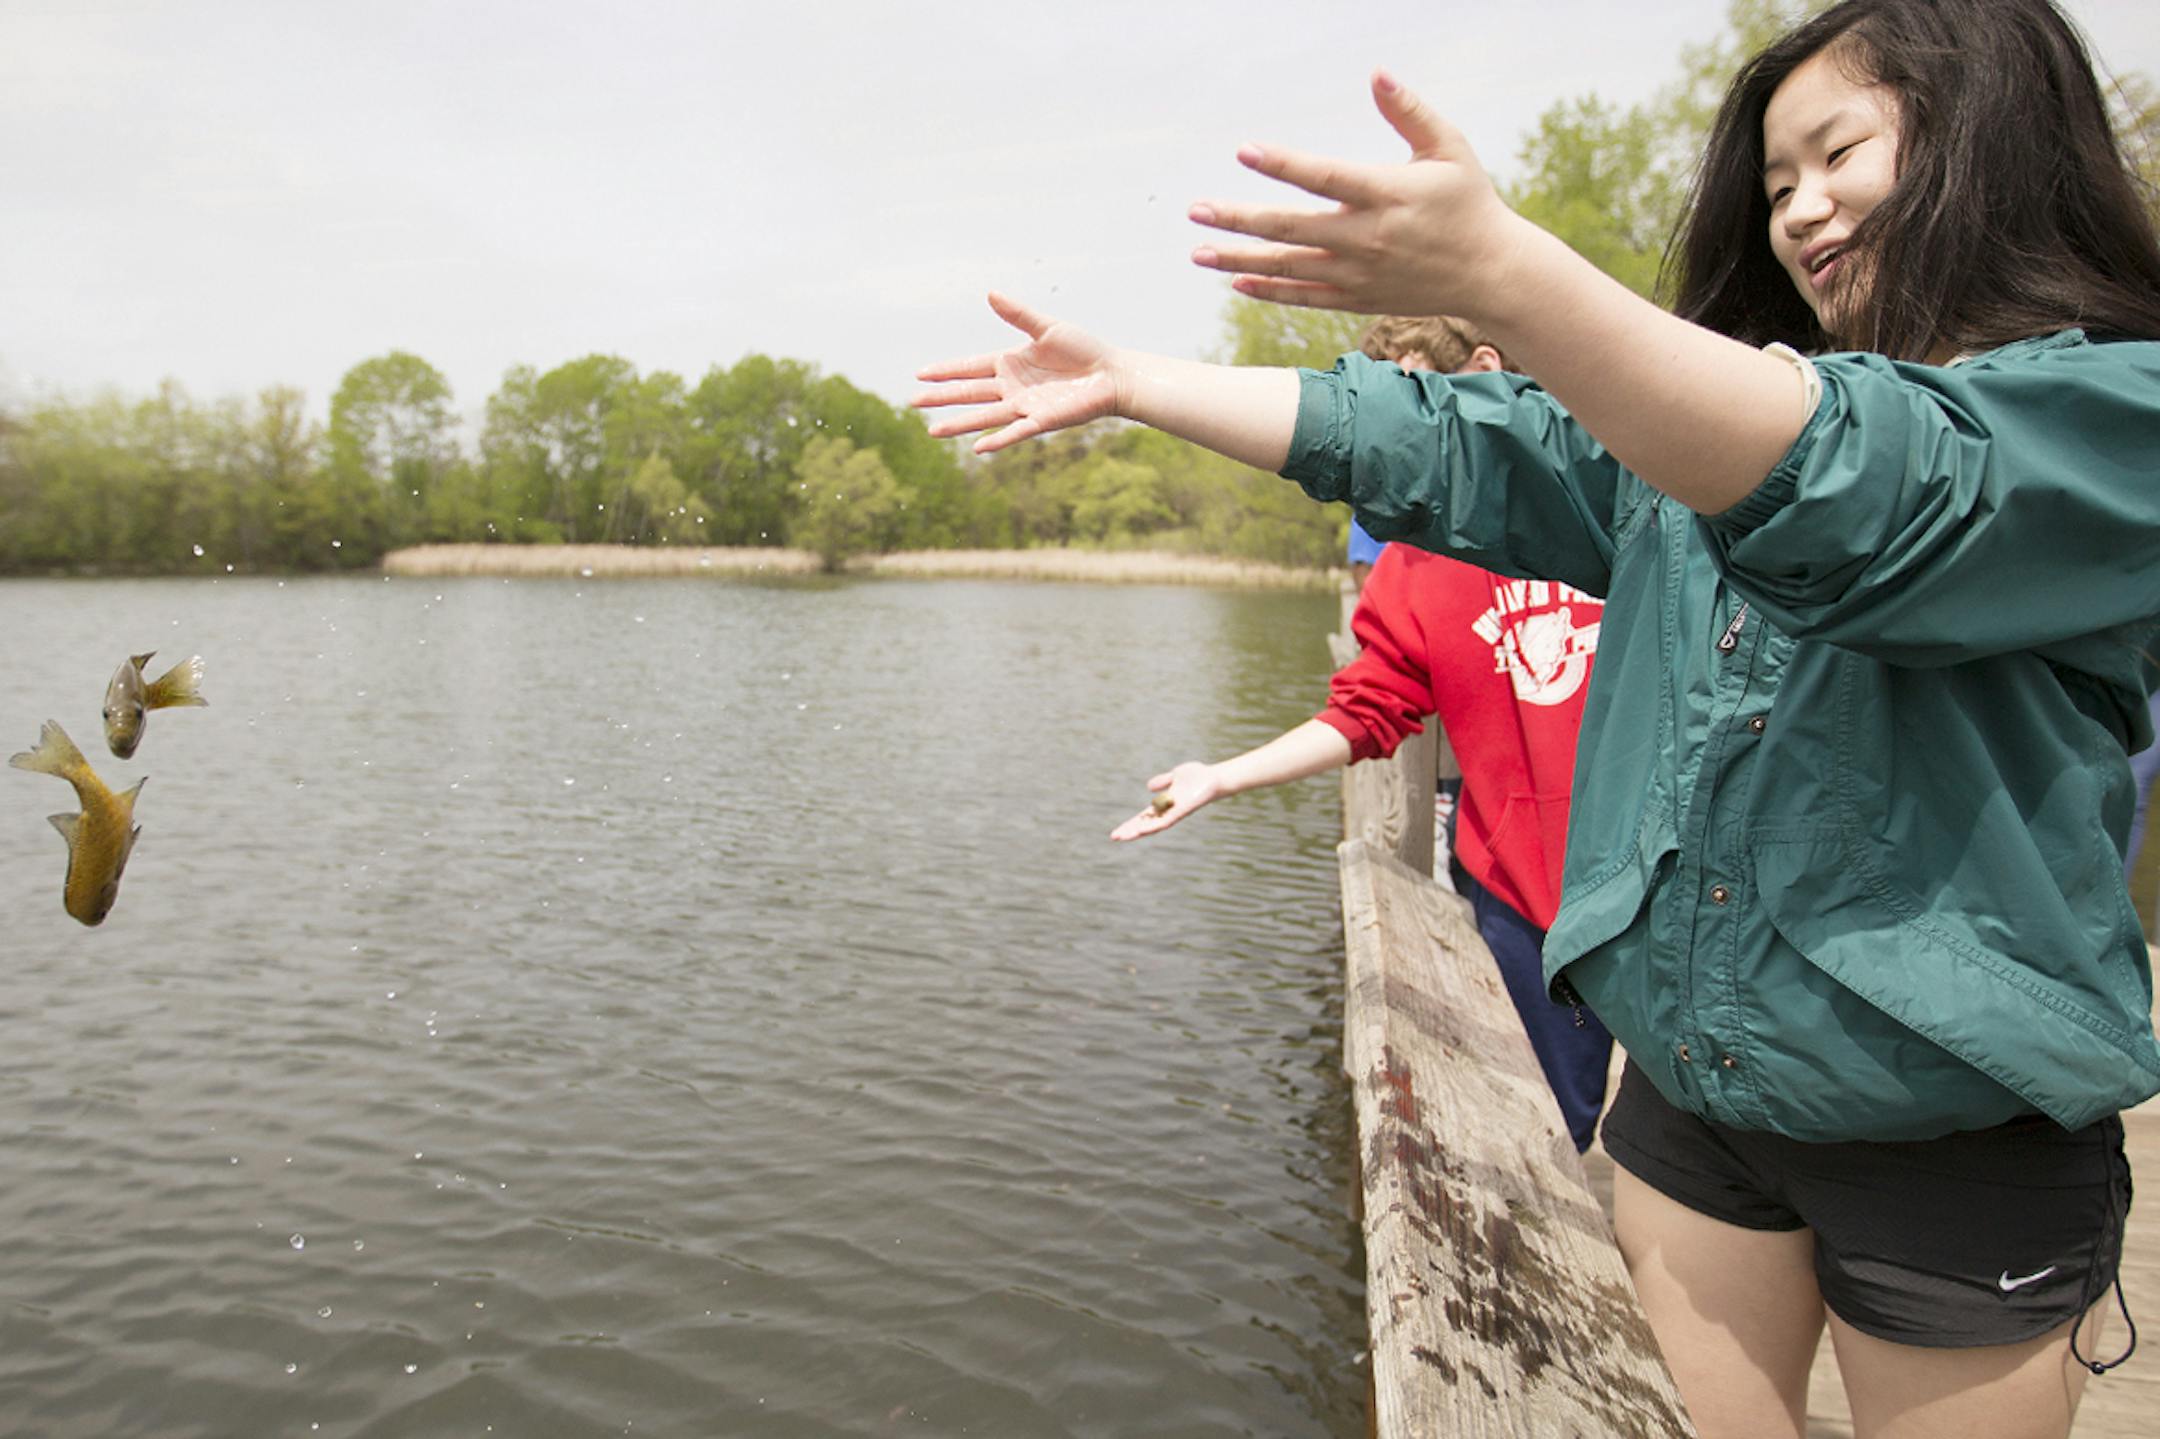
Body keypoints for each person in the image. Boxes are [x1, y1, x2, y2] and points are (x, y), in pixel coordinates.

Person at [915, 3, 2160, 1435]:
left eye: (1837, 155)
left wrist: (1505, 271)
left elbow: (1858, 483)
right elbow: (1449, 439)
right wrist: (1139, 386)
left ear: (1992, 141)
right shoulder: (1682, 445)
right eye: (1775, 186)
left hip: (1954, 1118)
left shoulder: (2113, 416)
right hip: (1701, 1100)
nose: (1804, 210)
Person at [1111, 315, 1615, 1154]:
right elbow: (1367, 709)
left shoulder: (1617, 491)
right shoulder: (1415, 564)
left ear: (1485, 369)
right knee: (1554, 1132)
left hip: (1674, 899)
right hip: (1526, 901)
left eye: (1412, 391)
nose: (1394, 423)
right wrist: (1225, 776)